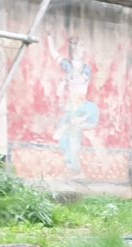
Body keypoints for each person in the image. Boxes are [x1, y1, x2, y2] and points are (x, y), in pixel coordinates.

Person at [47, 29, 101, 174]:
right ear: (74, 48)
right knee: (73, 136)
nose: (83, 49)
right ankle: (73, 164)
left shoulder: (87, 68)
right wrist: (49, 37)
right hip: (72, 105)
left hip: (82, 104)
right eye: (81, 46)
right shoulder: (67, 65)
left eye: (84, 46)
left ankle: (67, 126)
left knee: (93, 110)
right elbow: (54, 54)